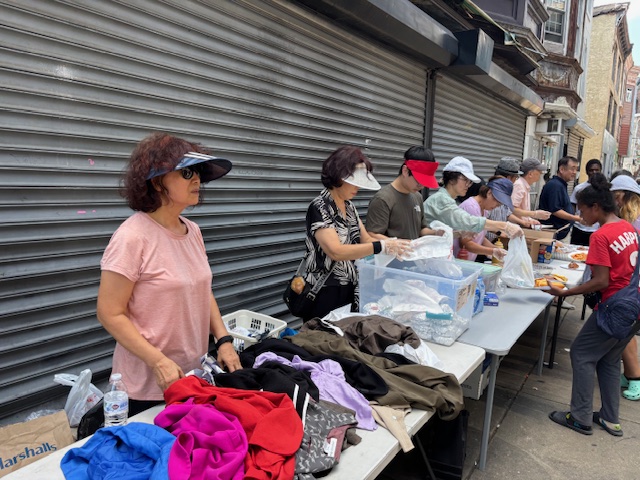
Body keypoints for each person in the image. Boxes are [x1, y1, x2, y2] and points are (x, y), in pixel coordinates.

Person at [96, 133, 242, 415]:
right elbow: (109, 313)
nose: (197, 180)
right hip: (149, 386)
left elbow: (201, 290)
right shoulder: (132, 237)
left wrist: (223, 340)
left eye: (198, 172)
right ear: (156, 181)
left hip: (193, 375)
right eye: (187, 173)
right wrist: (158, 361)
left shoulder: (193, 231)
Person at [547, 173, 640, 436]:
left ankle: (580, 417)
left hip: (615, 307)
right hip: (634, 305)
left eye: (581, 209)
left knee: (581, 353)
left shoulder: (601, 236)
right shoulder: (627, 227)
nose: (580, 215)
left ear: (596, 207)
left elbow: (601, 281)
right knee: (609, 360)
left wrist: (565, 292)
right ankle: (610, 419)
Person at [302, 145, 410, 319]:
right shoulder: (319, 207)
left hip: (350, 287)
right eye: (354, 182)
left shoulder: (349, 207)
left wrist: (394, 245)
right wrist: (380, 246)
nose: (358, 188)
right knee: (323, 334)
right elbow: (336, 251)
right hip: (324, 290)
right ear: (339, 176)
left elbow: (365, 239)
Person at [423, 156, 523, 239]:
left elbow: (440, 231)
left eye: (470, 181)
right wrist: (504, 226)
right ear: (452, 178)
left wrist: (458, 233)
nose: (468, 185)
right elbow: (468, 220)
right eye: (465, 180)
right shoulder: (442, 199)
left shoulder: (449, 200)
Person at [366, 146, 441, 240]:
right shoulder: (383, 199)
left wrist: (437, 232)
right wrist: (399, 244)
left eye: (425, 182)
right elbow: (372, 235)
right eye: (419, 181)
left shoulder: (417, 197)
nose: (421, 186)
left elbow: (421, 229)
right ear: (405, 171)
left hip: (414, 249)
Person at [610, 174, 640, 401]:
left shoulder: (634, 223)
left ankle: (636, 378)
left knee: (625, 333)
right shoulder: (630, 219)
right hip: (631, 283)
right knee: (626, 332)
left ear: (620, 197)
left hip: (633, 285)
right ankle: (630, 374)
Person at [454, 177, 514, 262]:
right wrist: (492, 251)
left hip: (467, 262)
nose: (497, 206)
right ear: (489, 193)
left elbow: (479, 237)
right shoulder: (471, 208)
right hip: (457, 261)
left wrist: (499, 250)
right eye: (497, 202)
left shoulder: (484, 210)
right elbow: (466, 243)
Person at [538, 156, 581, 240]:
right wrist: (575, 218)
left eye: (576, 169)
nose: (575, 172)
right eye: (572, 169)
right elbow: (555, 210)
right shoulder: (555, 185)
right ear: (562, 169)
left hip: (559, 233)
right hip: (552, 233)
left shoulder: (561, 184)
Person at [570, 159, 602, 246]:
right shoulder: (579, 188)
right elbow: (572, 206)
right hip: (579, 228)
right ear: (587, 172)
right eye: (591, 170)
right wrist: (574, 219)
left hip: (597, 230)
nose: (594, 172)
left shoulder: (604, 189)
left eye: (597, 170)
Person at [511, 158, 552, 224]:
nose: (541, 173)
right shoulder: (519, 185)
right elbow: (512, 209)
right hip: (516, 225)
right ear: (530, 174)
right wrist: (535, 214)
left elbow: (522, 211)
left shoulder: (524, 185)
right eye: (539, 171)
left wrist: (529, 220)